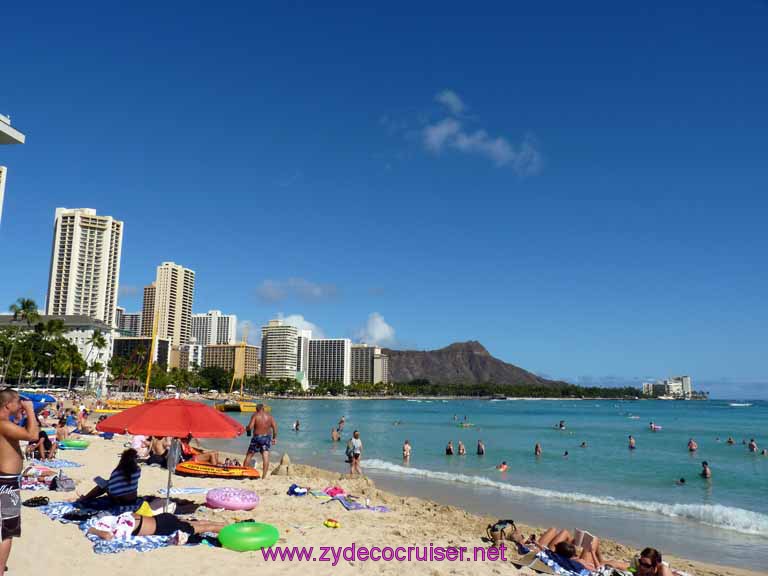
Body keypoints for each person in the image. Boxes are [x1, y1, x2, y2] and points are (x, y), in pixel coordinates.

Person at [0, 388, 39, 573]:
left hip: (5, 479)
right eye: (17, 401)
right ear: (8, 405)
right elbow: (33, 436)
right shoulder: (2, 424)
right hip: (7, 484)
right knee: (7, 530)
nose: (21, 404)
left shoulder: (5, 424)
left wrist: (17, 418)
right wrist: (31, 410)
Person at [87, 511, 226, 542]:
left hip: (163, 527)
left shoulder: (118, 527)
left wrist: (91, 530)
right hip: (162, 518)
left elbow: (107, 536)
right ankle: (228, 525)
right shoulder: (120, 516)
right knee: (199, 523)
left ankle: (230, 529)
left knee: (207, 528)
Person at [244, 404, 277, 478]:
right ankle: (264, 476)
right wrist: (274, 438)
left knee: (249, 455)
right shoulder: (270, 417)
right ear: (263, 409)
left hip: (257, 437)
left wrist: (247, 429)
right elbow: (275, 428)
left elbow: (250, 427)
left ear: (256, 410)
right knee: (265, 456)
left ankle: (244, 472)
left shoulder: (255, 415)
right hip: (266, 438)